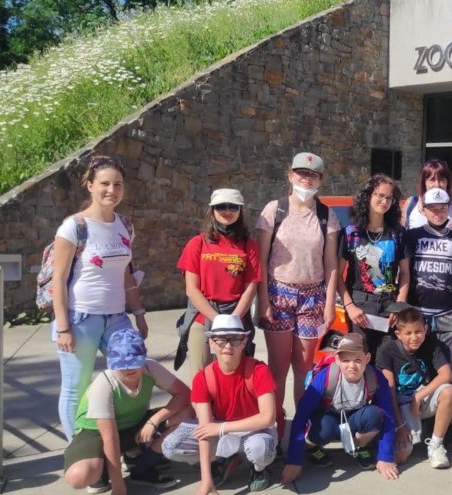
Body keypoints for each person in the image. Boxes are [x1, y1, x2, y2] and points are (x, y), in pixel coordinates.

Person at [51, 155, 148, 440]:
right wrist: (63, 327)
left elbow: (126, 273)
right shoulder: (74, 227)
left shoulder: (125, 225)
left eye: (118, 184)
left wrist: (139, 313)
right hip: (81, 318)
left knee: (130, 373)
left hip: (117, 317)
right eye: (104, 183)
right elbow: (58, 279)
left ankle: (123, 442)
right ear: (90, 185)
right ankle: (77, 450)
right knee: (76, 387)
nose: (111, 190)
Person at [255, 152, 341, 443]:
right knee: (278, 368)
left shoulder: (327, 216)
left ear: (320, 180)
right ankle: (275, 429)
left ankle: (300, 434)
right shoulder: (274, 210)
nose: (307, 178)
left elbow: (331, 263)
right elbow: (260, 260)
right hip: (279, 293)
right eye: (301, 173)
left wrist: (329, 303)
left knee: (304, 369)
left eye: (313, 175)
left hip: (312, 297)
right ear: (290, 175)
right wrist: (263, 299)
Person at [161, 315, 278, 493]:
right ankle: (223, 458)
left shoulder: (259, 370)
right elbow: (205, 428)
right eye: (221, 340)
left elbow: (268, 418)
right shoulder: (203, 377)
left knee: (259, 449)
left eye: (235, 339)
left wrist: (222, 428)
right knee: (170, 446)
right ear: (211, 343)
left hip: (254, 430)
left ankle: (259, 469)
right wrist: (206, 479)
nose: (228, 346)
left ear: (244, 342)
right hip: (220, 430)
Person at [62, 329, 187, 494]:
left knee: (188, 412)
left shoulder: (151, 367)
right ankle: (102, 467)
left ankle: (143, 463)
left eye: (134, 362)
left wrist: (154, 421)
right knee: (79, 476)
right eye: (121, 363)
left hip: (133, 423)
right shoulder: (104, 384)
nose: (128, 368)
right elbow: (110, 437)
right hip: (95, 433)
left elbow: (184, 394)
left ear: (144, 355)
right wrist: (119, 486)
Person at [282, 333, 399, 482]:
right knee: (324, 429)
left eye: (358, 360)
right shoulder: (325, 377)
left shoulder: (376, 377)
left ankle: (360, 446)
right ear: (337, 359)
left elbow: (388, 415)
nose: (352, 366)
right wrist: (294, 461)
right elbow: (301, 416)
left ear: (367, 358)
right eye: (346, 360)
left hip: (353, 419)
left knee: (375, 415)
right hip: (327, 418)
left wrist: (385, 457)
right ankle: (311, 447)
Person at [175, 188, 261, 375]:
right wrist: (217, 319)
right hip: (203, 317)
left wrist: (232, 320)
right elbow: (191, 289)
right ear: (212, 210)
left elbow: (251, 287)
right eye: (221, 206)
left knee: (233, 376)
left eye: (233, 207)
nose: (227, 211)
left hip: (236, 317)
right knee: (201, 375)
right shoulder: (198, 243)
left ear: (240, 210)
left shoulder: (249, 245)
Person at [375, 305, 452, 469]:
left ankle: (436, 444)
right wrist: (400, 426)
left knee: (449, 391)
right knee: (400, 456)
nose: (414, 337)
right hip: (399, 405)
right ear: (398, 334)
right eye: (408, 333)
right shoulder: (387, 350)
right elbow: (389, 391)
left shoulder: (431, 344)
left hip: (420, 398)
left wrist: (419, 396)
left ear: (425, 329)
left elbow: (446, 375)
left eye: (418, 331)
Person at [338, 174, 408, 360]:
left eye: (389, 198)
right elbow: (337, 275)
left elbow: (405, 273)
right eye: (380, 195)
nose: (384, 201)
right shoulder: (351, 234)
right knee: (360, 361)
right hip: (360, 305)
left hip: (389, 306)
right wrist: (350, 307)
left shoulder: (398, 234)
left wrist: (399, 306)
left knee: (387, 363)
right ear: (368, 196)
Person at [399, 187, 452, 363]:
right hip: (417, 313)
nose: (438, 213)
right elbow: (403, 273)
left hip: (448, 314)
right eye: (433, 208)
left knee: (447, 365)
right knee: (419, 365)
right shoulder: (412, 236)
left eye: (443, 208)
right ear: (423, 210)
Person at [400, 159, 452, 229]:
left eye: (441, 180)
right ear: (424, 183)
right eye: (432, 180)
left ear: (447, 183)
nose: (437, 185)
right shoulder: (411, 204)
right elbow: (402, 231)